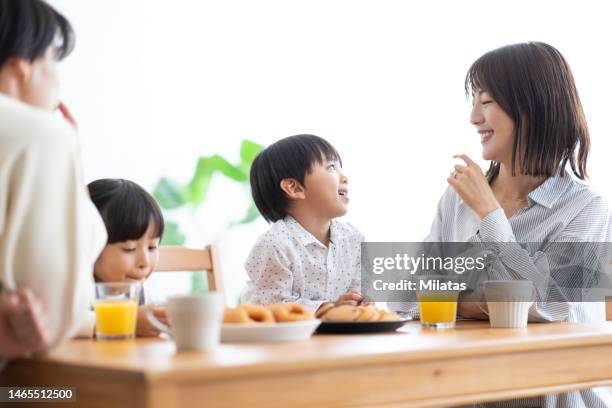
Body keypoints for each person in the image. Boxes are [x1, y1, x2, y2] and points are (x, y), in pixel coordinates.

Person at [393, 42, 611, 407]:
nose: (474, 117)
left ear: (531, 107)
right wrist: (482, 303)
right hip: (465, 390)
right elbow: (407, 295)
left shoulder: (585, 207)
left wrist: (490, 215)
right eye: (473, 101)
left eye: (487, 101)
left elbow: (549, 304)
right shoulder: (455, 198)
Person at [0, 0, 107, 363]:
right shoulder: (41, 135)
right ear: (22, 66)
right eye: (54, 60)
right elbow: (55, 317)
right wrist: (70, 157)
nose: (58, 79)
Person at [242, 134, 364, 313]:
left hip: (334, 337)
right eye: (331, 167)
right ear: (294, 188)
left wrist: (360, 301)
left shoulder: (354, 238)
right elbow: (276, 305)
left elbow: (359, 290)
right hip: (274, 338)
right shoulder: (274, 245)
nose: (344, 177)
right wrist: (329, 308)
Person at [79, 178, 167, 337]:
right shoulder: (77, 296)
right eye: (130, 249)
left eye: (152, 247)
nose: (145, 262)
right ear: (91, 245)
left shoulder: (140, 296)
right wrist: (129, 322)